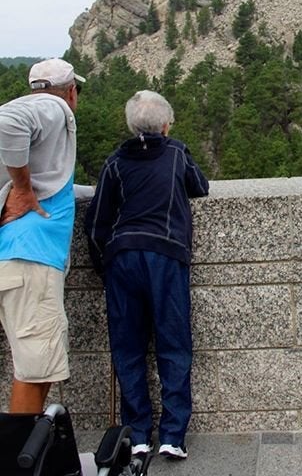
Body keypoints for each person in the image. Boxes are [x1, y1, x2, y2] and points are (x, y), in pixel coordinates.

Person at [84, 90, 209, 463]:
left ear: (130, 125)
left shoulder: (115, 162)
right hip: (165, 257)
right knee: (173, 345)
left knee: (128, 347)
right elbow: (200, 186)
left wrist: (103, 267)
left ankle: (137, 434)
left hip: (122, 258)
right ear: (166, 125)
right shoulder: (175, 153)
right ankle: (172, 435)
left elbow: (96, 222)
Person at [0, 57, 88, 413]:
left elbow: (55, 189)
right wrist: (22, 187)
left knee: (34, 365)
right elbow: (7, 122)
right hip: (30, 261)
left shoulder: (39, 124)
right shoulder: (52, 107)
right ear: (71, 92)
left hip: (15, 257)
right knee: (36, 370)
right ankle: (21, 459)